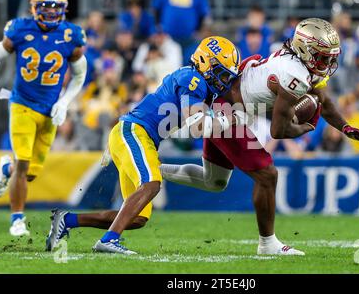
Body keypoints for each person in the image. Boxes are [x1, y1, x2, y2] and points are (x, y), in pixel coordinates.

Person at [160, 18, 359, 256]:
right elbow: (278, 131)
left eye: (330, 56)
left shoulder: (300, 66)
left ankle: (155, 170)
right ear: (306, 50)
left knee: (214, 182)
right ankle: (267, 243)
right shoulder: (293, 74)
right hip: (228, 113)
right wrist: (305, 127)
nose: (329, 62)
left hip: (228, 108)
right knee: (267, 175)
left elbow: (322, 100)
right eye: (323, 56)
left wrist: (345, 128)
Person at [46, 36, 244, 254]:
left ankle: (67, 220)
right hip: (134, 132)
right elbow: (197, 128)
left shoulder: (198, 84)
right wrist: (231, 118)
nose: (223, 79)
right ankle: (108, 240)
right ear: (206, 61)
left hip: (139, 137)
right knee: (151, 184)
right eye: (221, 71)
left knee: (137, 217)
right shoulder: (192, 78)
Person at [0, 0, 87, 236]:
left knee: (30, 173)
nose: (51, 12)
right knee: (23, 162)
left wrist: (64, 102)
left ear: (64, 9)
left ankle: (6, 168)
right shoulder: (20, 29)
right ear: (34, 7)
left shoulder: (71, 36)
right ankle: (17, 219)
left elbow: (79, 75)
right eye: (46, 7)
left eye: (56, 7)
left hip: (50, 109)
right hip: (21, 103)